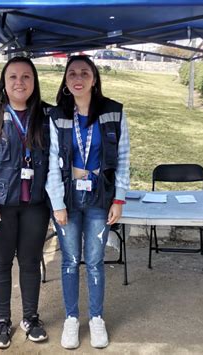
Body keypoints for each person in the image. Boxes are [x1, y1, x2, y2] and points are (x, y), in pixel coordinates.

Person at [45, 55, 130, 349]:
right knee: (69, 261)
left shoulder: (113, 112)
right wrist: (57, 203)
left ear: (94, 78)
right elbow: (50, 164)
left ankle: (96, 318)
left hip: (100, 198)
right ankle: (71, 318)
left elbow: (123, 159)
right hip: (68, 199)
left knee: (94, 262)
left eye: (84, 72)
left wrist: (119, 199)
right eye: (72, 74)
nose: (77, 77)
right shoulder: (57, 116)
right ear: (66, 82)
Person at [0, 56, 51, 349]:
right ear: (4, 83)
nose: (20, 82)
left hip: (36, 203)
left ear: (34, 82)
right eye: (13, 77)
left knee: (30, 262)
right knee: (1, 262)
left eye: (26, 77)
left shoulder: (45, 115)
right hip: (1, 203)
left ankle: (30, 318)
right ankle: (2, 321)